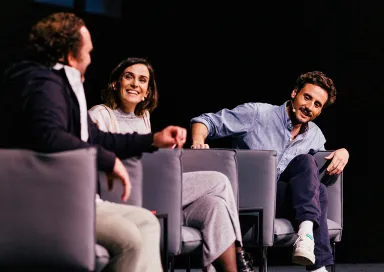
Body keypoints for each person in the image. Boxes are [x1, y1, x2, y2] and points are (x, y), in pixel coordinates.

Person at [0, 12, 188, 272]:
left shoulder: (63, 86)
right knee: (129, 238)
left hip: (75, 198)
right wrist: (108, 160)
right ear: (69, 54)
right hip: (49, 203)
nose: (90, 59)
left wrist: (153, 139)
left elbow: (97, 138)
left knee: (146, 222)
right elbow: (49, 135)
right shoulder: (44, 84)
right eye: (87, 53)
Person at [88, 57, 255, 272]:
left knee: (215, 205)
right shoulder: (100, 114)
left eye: (142, 80)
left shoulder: (144, 117)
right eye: (128, 77)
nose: (134, 84)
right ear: (115, 83)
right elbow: (100, 156)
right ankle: (240, 252)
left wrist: (165, 155)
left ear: (147, 91)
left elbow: (145, 157)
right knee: (219, 181)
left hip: (155, 190)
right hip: (126, 193)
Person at [189, 71, 350, 272]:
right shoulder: (257, 114)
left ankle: (307, 240)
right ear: (294, 93)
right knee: (317, 185)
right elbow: (205, 121)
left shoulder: (315, 135)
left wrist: (343, 152)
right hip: (246, 200)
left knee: (312, 174)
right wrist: (198, 142)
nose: (309, 107)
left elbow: (311, 181)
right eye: (307, 97)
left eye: (317, 105)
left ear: (320, 111)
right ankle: (318, 266)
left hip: (278, 201)